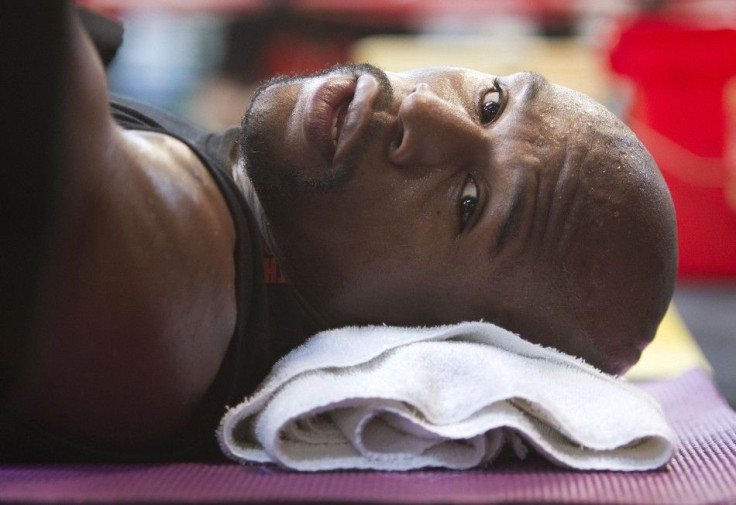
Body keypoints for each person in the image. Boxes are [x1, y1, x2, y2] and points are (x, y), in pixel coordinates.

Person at [0, 6, 676, 462]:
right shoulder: (239, 206)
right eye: (490, 102)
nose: (421, 111)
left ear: (429, 343)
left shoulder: (159, 287)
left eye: (468, 203)